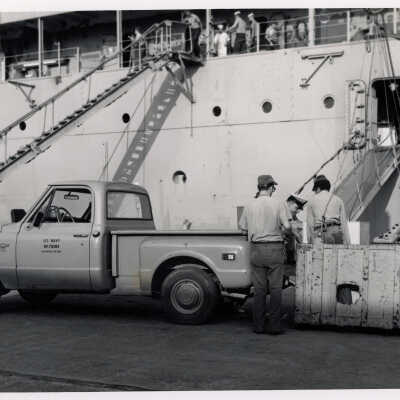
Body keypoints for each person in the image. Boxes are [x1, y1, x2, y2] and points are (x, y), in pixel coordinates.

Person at [239, 175, 291, 335]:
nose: (274, 189)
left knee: (259, 289)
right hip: (274, 248)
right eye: (273, 187)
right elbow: (287, 226)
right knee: (275, 289)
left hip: (256, 250)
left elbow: (243, 229)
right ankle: (275, 326)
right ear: (269, 187)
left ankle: (258, 326)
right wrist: (284, 234)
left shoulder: (249, 205)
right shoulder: (279, 203)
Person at [306, 175, 350, 245]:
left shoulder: (311, 201)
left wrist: (310, 242)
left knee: (320, 256)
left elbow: (310, 225)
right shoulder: (338, 200)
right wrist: (348, 243)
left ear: (318, 188)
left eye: (315, 190)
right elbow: (344, 224)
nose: (315, 192)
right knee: (335, 256)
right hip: (336, 232)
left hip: (319, 233)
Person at [281, 194, 307, 265]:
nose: (299, 210)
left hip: (291, 257)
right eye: (297, 206)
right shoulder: (280, 215)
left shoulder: (295, 219)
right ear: (289, 203)